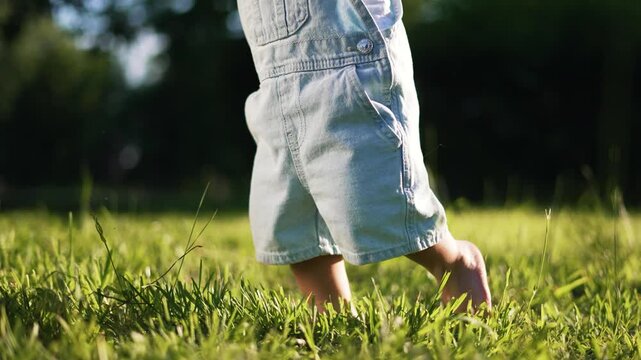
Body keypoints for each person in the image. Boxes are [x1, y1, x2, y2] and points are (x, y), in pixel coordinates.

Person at [237, 0, 491, 312]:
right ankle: (334, 317)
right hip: (274, 75)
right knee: (294, 225)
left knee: (381, 205)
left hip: (349, 60)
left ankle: (453, 262)